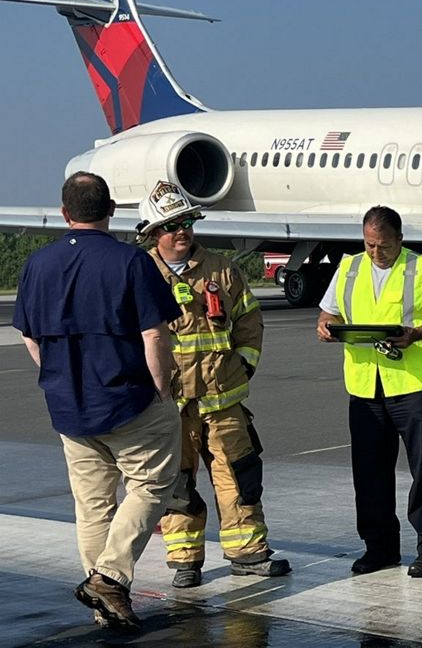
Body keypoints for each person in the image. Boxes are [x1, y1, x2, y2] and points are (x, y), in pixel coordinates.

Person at [13, 172, 182, 628]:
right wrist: (162, 387)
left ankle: (105, 606)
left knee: (92, 506)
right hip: (129, 400)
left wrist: (58, 378)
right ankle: (110, 578)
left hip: (70, 406)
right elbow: (154, 333)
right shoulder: (131, 262)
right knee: (150, 486)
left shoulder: (38, 265)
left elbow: (31, 337)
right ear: (110, 209)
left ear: (65, 213)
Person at [136, 181, 291, 587]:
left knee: (239, 477)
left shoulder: (221, 269)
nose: (181, 231)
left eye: (186, 221)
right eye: (171, 225)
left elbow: (249, 320)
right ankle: (185, 561)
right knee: (177, 483)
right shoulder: (139, 274)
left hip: (224, 402)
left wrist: (242, 365)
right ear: (154, 232)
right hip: (170, 405)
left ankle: (249, 554)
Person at [315, 206, 422, 578]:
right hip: (366, 387)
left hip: (414, 386)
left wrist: (418, 333)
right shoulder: (349, 268)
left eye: (382, 245)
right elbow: (328, 313)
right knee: (369, 473)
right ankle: (379, 548)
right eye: (369, 245)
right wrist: (327, 327)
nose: (375, 253)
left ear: (400, 239)